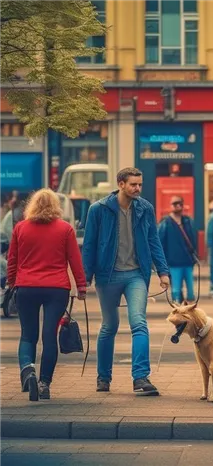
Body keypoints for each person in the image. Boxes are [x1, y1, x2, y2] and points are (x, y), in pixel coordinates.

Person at [82, 167, 170, 396]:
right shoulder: (98, 209)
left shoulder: (145, 208)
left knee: (139, 323)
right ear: (120, 184)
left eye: (140, 184)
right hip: (107, 275)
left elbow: (154, 241)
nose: (138, 188)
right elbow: (89, 245)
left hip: (136, 275)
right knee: (109, 326)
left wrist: (163, 271)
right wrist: (85, 278)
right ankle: (103, 377)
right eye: (133, 184)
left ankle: (140, 377)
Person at [7, 189, 87, 401]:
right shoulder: (65, 229)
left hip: (27, 288)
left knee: (28, 335)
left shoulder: (20, 228)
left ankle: (28, 370)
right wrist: (81, 286)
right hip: (56, 289)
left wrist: (11, 283)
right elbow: (74, 260)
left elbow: (12, 259)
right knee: (49, 335)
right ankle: (44, 384)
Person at [158, 196, 198, 304]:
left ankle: (190, 312)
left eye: (179, 203)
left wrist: (195, 255)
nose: (177, 206)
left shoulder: (188, 221)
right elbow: (160, 243)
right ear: (170, 206)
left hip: (188, 261)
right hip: (173, 262)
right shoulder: (165, 223)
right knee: (175, 290)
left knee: (191, 292)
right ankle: (178, 310)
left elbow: (194, 239)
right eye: (174, 204)